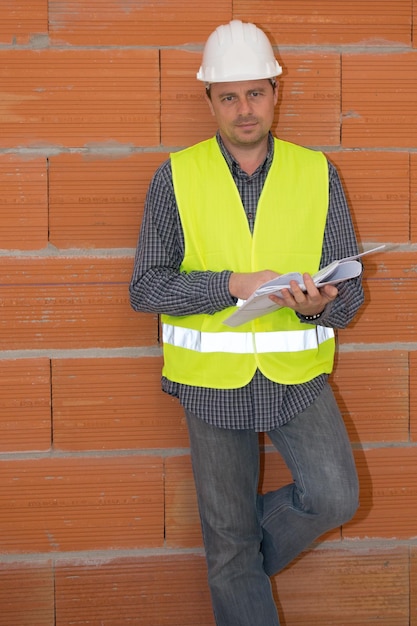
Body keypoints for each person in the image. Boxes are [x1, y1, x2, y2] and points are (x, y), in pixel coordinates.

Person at [129, 19, 364, 626]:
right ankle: (231, 561)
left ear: (276, 93)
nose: (243, 109)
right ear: (208, 99)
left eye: (255, 92)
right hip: (210, 384)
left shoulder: (317, 173)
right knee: (229, 545)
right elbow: (146, 287)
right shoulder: (175, 177)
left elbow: (350, 290)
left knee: (334, 497)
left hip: (296, 375)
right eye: (228, 96)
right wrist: (229, 285)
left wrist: (321, 306)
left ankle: (233, 560)